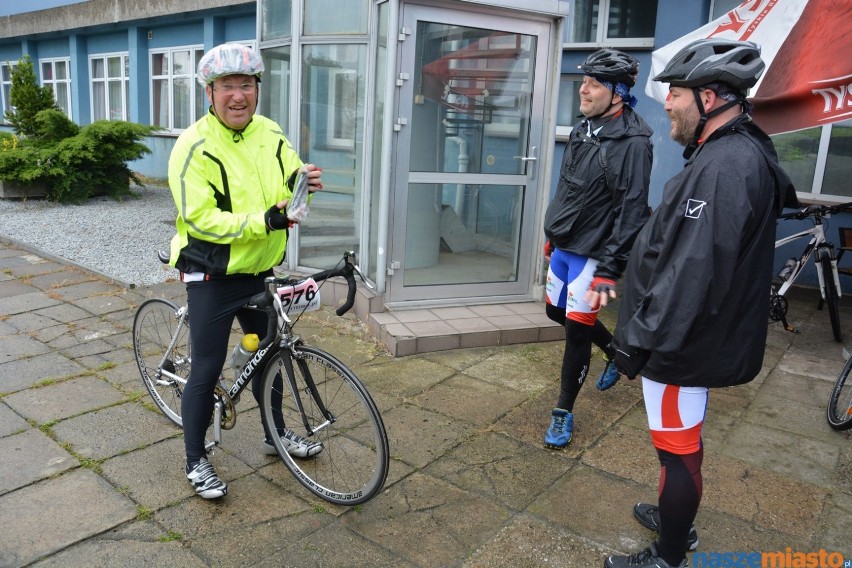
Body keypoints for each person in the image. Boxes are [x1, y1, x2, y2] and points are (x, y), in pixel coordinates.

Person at [603, 39, 798, 567]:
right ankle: (676, 517)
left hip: (679, 345)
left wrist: (638, 340)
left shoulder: (726, 166)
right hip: (687, 337)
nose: (665, 103)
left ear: (708, 98)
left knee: (677, 448)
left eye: (675, 94)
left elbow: (694, 272)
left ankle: (669, 553)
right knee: (679, 441)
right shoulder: (727, 153)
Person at [167, 43, 324, 499]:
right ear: (210, 94)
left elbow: (290, 188)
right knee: (208, 366)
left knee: (270, 355)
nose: (239, 95)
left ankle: (275, 436)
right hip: (212, 273)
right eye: (227, 86)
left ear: (258, 89)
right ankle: (195, 460)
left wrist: (305, 185)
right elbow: (201, 219)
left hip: (260, 269)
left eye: (247, 85)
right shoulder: (192, 146)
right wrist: (265, 220)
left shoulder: (271, 132)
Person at [541, 49, 653, 449]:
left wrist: (610, 269)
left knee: (575, 332)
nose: (582, 90)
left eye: (593, 84)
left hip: (595, 254)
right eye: (583, 81)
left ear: (618, 93)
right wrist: (553, 234)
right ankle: (611, 349)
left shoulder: (634, 144)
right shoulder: (583, 129)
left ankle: (563, 412)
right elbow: (567, 185)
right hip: (566, 244)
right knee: (556, 312)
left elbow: (632, 211)